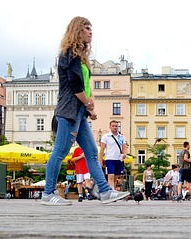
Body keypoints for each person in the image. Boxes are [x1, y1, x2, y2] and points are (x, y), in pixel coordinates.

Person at [42, 16, 129, 205]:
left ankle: (105, 191)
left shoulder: (80, 57)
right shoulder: (69, 54)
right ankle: (48, 193)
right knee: (59, 152)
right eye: (87, 28)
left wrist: (90, 105)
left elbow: (85, 86)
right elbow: (74, 85)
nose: (91, 32)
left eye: (91, 28)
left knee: (91, 152)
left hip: (79, 113)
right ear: (77, 31)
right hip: (68, 112)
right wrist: (88, 104)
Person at [99, 120, 128, 190]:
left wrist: (125, 154)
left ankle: (113, 190)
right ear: (110, 127)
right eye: (113, 126)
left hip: (119, 159)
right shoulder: (106, 136)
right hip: (109, 159)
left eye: (116, 126)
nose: (115, 127)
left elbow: (124, 147)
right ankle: (111, 191)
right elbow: (102, 149)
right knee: (110, 176)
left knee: (116, 177)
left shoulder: (121, 137)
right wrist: (100, 160)